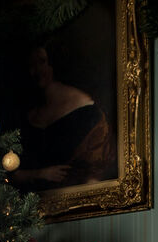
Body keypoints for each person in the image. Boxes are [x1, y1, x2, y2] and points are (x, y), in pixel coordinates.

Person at [9, 44, 115, 191]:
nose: (37, 71)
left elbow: (95, 173)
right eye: (31, 65)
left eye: (42, 62)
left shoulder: (85, 108)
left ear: (54, 63)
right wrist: (40, 173)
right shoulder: (28, 115)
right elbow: (13, 174)